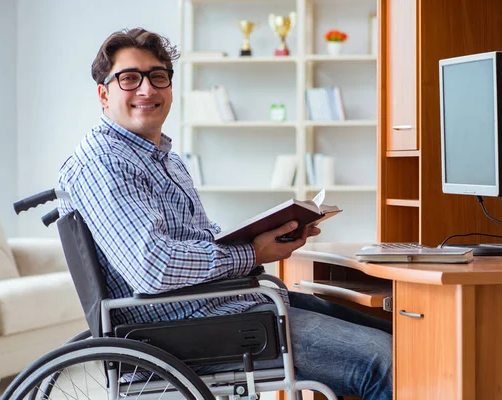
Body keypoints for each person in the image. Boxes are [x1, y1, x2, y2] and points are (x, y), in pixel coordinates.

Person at [58, 27, 392, 399]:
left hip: (226, 308)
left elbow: (196, 238)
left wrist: (261, 237)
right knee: (387, 362)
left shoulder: (162, 159)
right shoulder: (103, 163)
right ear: (104, 93)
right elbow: (154, 267)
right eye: (129, 78)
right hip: (188, 328)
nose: (147, 89)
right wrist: (252, 253)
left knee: (399, 333)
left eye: (158, 76)